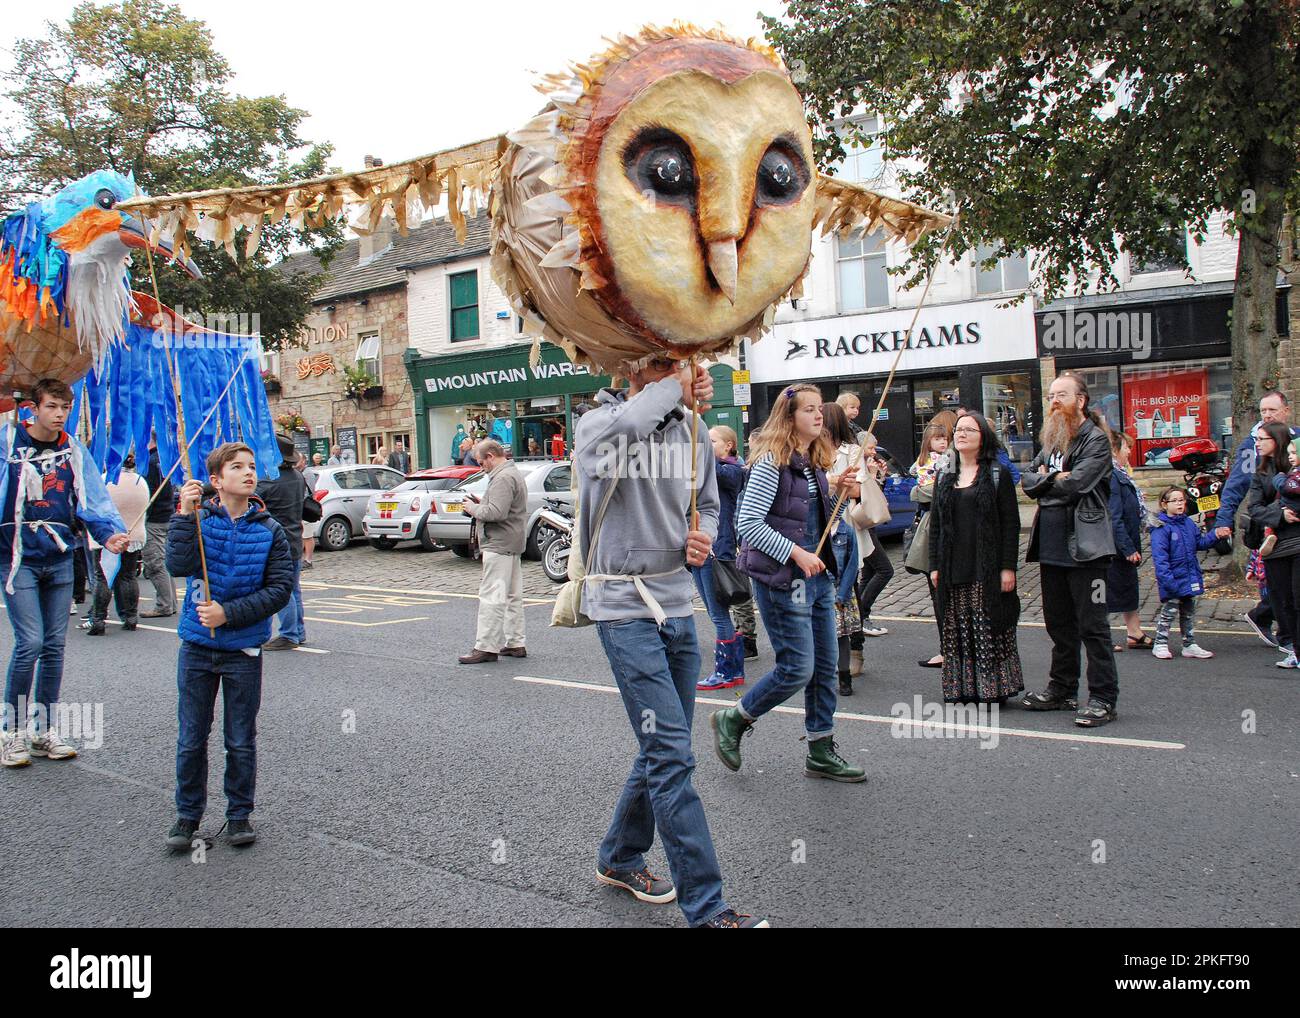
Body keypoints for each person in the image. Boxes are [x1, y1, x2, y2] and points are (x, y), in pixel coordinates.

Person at [575, 357, 764, 927]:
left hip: (677, 605)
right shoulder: (596, 424)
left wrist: (701, 532)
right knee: (671, 755)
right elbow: (625, 433)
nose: (675, 372)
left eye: (678, 365)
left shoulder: (692, 428)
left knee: (665, 746)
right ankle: (708, 909)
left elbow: (706, 499)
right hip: (622, 608)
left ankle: (619, 855)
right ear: (630, 367)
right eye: (660, 364)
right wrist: (672, 389)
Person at [713, 383, 865, 782]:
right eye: (809, 410)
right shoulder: (770, 463)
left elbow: (815, 521)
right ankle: (735, 717)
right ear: (789, 417)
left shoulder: (812, 460)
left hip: (817, 578)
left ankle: (820, 749)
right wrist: (796, 554)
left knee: (825, 667)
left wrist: (843, 494)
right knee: (798, 668)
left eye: (820, 409)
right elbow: (748, 524)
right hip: (783, 580)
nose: (819, 415)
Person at [164, 442, 294, 849]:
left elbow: (279, 590)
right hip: (198, 648)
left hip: (242, 649)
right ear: (216, 481)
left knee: (239, 738)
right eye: (237, 467)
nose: (248, 472)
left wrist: (229, 614)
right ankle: (187, 816)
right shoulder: (199, 519)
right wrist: (184, 515)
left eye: (251, 466)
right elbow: (178, 565)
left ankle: (239, 815)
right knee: (191, 737)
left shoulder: (269, 529)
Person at [0, 380, 129, 768]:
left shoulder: (72, 450)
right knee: (31, 644)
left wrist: (108, 536)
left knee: (55, 646)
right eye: (53, 406)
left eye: (65, 408)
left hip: (58, 557)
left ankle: (43, 731)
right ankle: (12, 732)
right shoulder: (7, 445)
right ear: (33, 408)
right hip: (16, 557)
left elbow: (91, 499)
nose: (59, 414)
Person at [1021, 372, 1120, 728]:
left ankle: (1103, 698)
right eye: (1050, 395)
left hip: (1087, 549)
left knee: (1093, 627)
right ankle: (1062, 690)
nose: (1053, 401)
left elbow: (1077, 484)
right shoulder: (1051, 441)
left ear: (1080, 400)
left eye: (1061, 395)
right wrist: (1051, 478)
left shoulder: (1095, 440)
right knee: (1059, 625)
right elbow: (1027, 481)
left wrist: (1050, 479)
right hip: (1050, 547)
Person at [928, 412, 1023, 703]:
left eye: (969, 429)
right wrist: (934, 564)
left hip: (986, 564)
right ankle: (963, 688)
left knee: (986, 623)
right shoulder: (945, 474)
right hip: (952, 564)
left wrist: (1008, 567)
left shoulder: (997, 474)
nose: (961, 434)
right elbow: (936, 524)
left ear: (983, 436)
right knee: (957, 624)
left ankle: (993, 688)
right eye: (958, 429)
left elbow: (1011, 524)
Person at [1215, 390, 1298, 648]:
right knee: (1280, 586)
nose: (1267, 415)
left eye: (1272, 410)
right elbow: (1238, 485)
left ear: (1286, 411)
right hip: (1272, 531)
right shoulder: (1253, 447)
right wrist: (1223, 520)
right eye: (1263, 411)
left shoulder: (1296, 439)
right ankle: (1281, 633)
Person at [457, 439, 529, 664]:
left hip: (499, 543)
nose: (481, 467)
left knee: (492, 597)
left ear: (491, 456)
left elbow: (496, 513)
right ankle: (516, 642)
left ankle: (486, 647)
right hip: (512, 542)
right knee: (512, 597)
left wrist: (472, 508)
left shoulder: (503, 478)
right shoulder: (512, 473)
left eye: (481, 462)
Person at [694, 425, 747, 691]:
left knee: (718, 614)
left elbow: (711, 470)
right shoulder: (715, 468)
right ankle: (734, 670)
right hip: (704, 546)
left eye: (712, 441)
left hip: (715, 548)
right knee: (717, 612)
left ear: (728, 446)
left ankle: (725, 672)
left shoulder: (731, 470)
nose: (707, 445)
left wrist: (698, 449)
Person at [1245, 422, 1300, 668]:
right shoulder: (1261, 473)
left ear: (1276, 441)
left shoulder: (1295, 468)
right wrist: (1281, 514)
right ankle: (1293, 649)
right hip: (1273, 546)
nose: (1257, 443)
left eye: (1262, 439)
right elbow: (1254, 508)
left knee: (1298, 598)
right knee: (1282, 601)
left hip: (1297, 541)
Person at [1148, 487, 1218, 660]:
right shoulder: (1161, 528)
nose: (1180, 504)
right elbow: (1160, 559)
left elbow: (1199, 543)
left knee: (1188, 611)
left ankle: (1189, 643)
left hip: (1188, 576)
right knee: (1169, 611)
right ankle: (1160, 643)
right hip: (1173, 578)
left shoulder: (1187, 523)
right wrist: (1169, 581)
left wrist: (1215, 535)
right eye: (1175, 501)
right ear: (1164, 504)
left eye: (1182, 500)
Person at [822, 401, 862, 697]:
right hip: (823, 527)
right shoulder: (809, 452)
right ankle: (826, 669)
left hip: (844, 522)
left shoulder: (851, 451)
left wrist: (842, 484)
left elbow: (858, 489)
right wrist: (832, 481)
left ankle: (850, 662)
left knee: (847, 615)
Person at [257, 434, 310, 651]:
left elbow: (248, 497)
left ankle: (288, 634)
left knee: (283, 590)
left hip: (278, 542)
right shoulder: (297, 476)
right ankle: (298, 631)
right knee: (293, 589)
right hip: (295, 537)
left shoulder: (270, 480)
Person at [87, 453, 149, 635]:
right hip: (133, 533)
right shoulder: (140, 481)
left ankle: (98, 619)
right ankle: (130, 617)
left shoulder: (104, 480)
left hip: (108, 536)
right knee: (128, 576)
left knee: (103, 577)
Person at [1107, 430, 1151, 653]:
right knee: (1108, 591)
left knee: (1128, 587)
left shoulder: (1121, 474)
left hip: (1123, 543)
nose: (1130, 452)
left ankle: (1135, 632)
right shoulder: (1113, 476)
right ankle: (1101, 636)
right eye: (1126, 447)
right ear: (1115, 450)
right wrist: (1127, 548)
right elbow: (1114, 516)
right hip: (1115, 547)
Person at [912, 420, 951, 669]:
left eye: (945, 438)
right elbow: (917, 489)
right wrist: (918, 491)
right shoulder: (924, 462)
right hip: (928, 527)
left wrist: (919, 492)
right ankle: (946, 648)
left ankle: (949, 650)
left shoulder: (949, 461)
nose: (943, 442)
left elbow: (932, 492)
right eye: (938, 439)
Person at [851, 430, 894, 653]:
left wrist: (878, 477)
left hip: (870, 523)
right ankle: (862, 615)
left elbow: (876, 498)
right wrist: (869, 476)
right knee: (885, 570)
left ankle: (861, 616)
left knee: (868, 573)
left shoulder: (868, 466)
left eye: (874, 447)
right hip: (862, 524)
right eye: (869, 448)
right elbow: (860, 496)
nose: (873, 451)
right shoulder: (855, 465)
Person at [142, 434, 177, 618]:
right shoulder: (164, 458)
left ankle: (163, 604)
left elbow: (149, 492)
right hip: (166, 514)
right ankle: (170, 602)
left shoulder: (151, 462)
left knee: (155, 562)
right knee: (164, 561)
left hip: (155, 517)